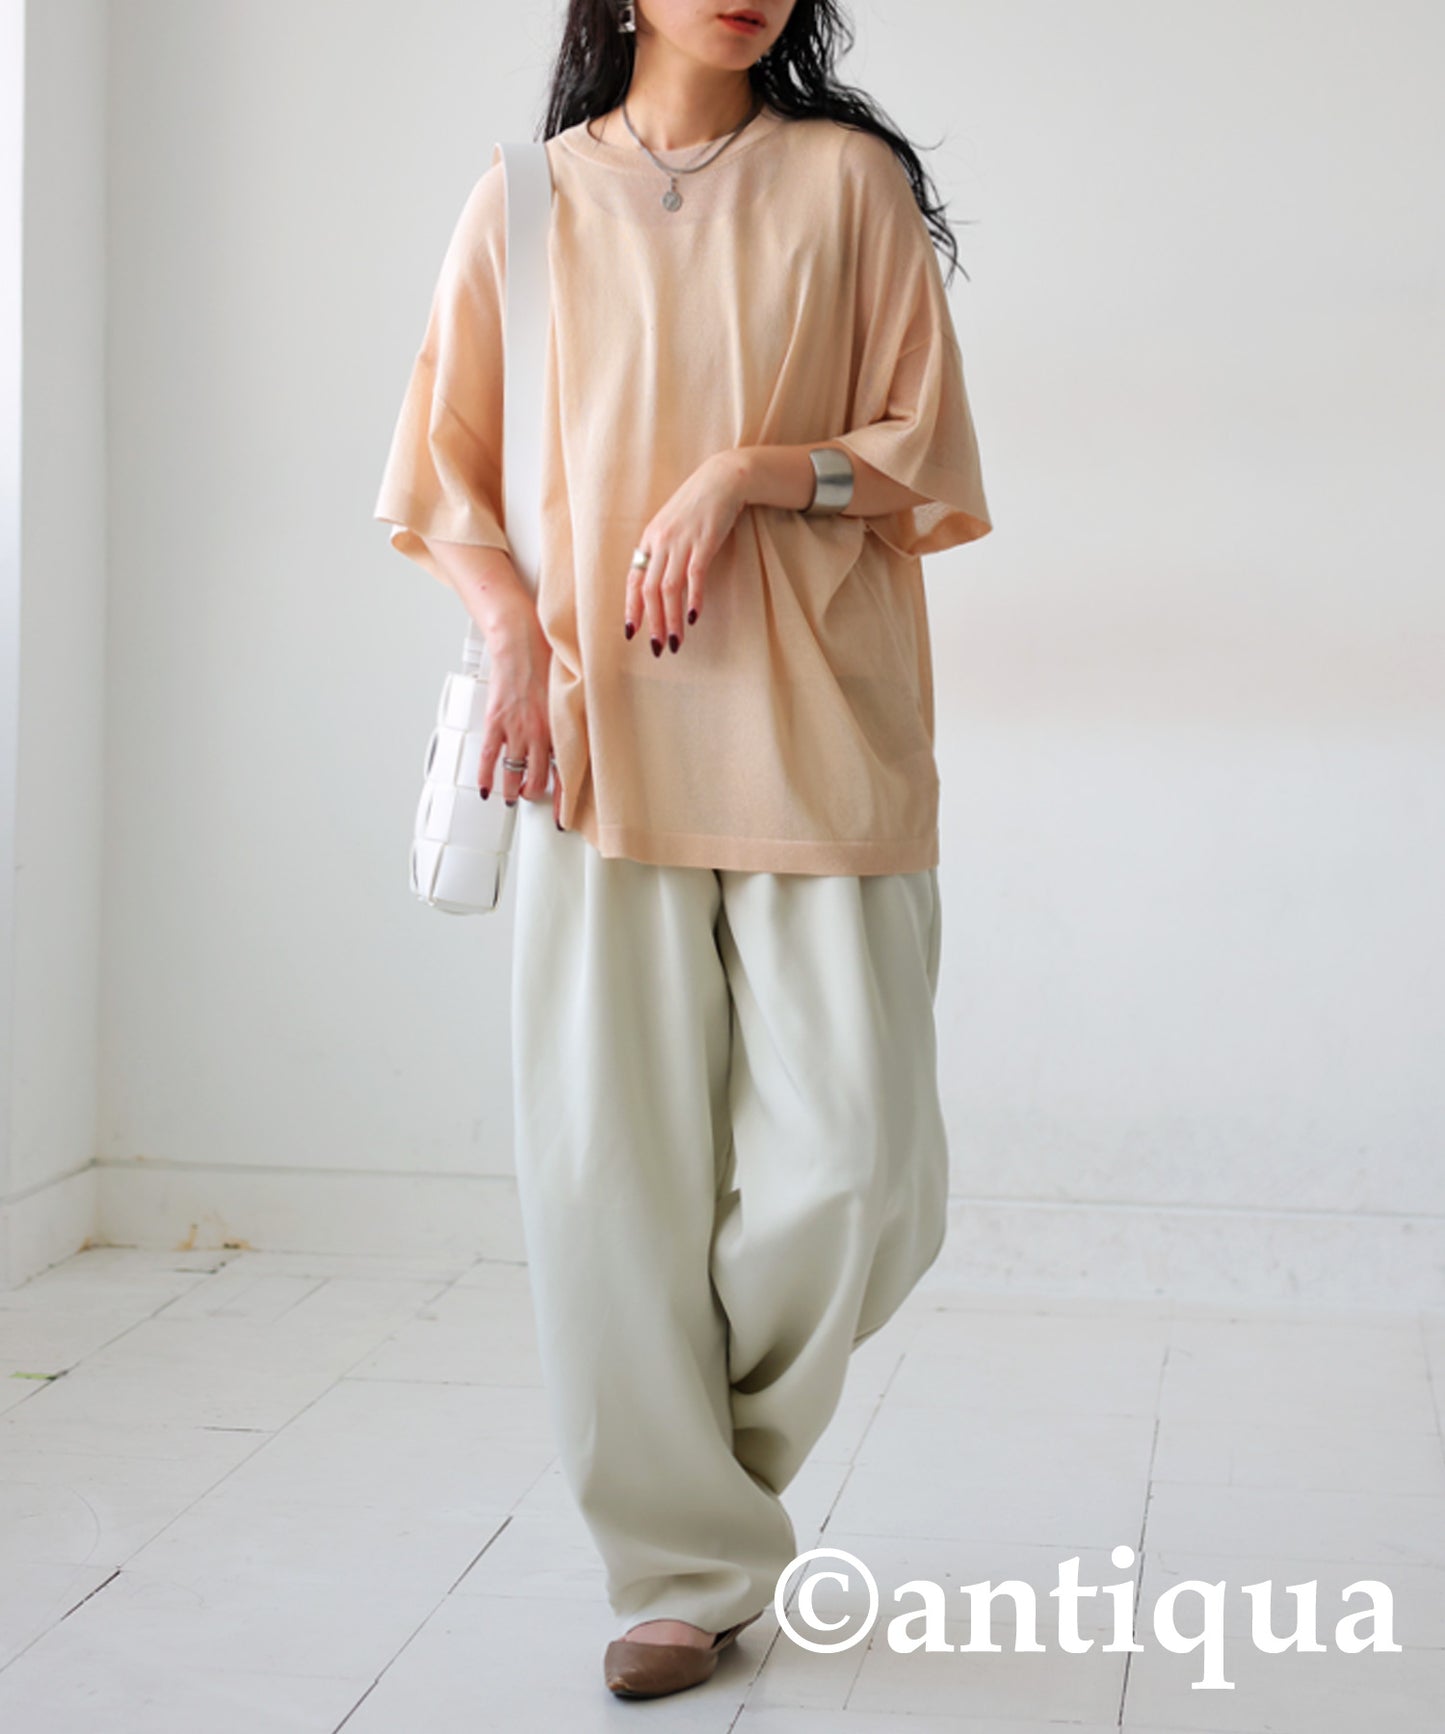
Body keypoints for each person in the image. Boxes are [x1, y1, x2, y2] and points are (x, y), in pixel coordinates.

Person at [373, 0, 992, 1702]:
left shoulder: (847, 184)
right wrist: (511, 636)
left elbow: (922, 455)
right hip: (596, 741)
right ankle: (681, 1569)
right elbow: (442, 481)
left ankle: (693, 1465)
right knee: (608, 1179)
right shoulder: (525, 198)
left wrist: (742, 476)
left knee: (862, 1170)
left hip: (820, 727)